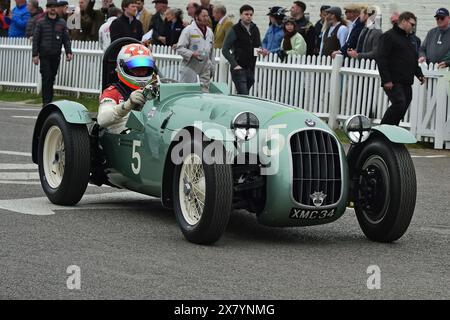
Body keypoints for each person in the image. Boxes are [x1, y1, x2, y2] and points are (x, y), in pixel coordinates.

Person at [376, 11, 425, 126]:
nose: (413, 27)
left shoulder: (410, 39)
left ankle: (392, 132)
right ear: (403, 21)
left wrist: (419, 74)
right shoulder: (388, 36)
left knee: (404, 105)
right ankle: (382, 132)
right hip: (393, 81)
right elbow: (381, 58)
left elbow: (413, 59)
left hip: (406, 81)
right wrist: (386, 79)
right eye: (412, 24)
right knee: (399, 103)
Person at [98, 43, 156, 134]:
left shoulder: (155, 91)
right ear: (122, 67)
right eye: (136, 69)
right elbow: (102, 119)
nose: (141, 72)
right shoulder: (112, 92)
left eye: (145, 68)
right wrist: (127, 105)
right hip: (122, 140)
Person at [32, 0, 72, 107]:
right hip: (44, 55)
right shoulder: (40, 23)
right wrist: (35, 55)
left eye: (54, 6)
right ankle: (46, 102)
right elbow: (36, 39)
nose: (52, 8)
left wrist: (69, 52)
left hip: (56, 55)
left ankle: (49, 100)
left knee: (52, 77)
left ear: (57, 8)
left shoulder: (62, 23)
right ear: (47, 8)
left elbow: (66, 39)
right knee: (46, 77)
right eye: (50, 6)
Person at [222, 4, 263, 95]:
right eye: (246, 14)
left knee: (243, 95)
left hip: (250, 68)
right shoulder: (235, 29)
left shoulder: (255, 29)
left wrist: (261, 51)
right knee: (244, 94)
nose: (249, 16)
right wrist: (235, 64)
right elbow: (225, 49)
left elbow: (256, 48)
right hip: (239, 68)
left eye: (251, 15)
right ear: (241, 15)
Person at [177, 7, 214, 92]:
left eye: (207, 16)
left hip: (205, 69)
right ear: (196, 16)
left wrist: (212, 68)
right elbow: (180, 48)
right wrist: (192, 54)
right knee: (188, 93)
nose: (206, 18)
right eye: (203, 16)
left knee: (204, 93)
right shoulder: (188, 30)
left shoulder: (210, 32)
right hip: (190, 67)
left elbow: (212, 52)